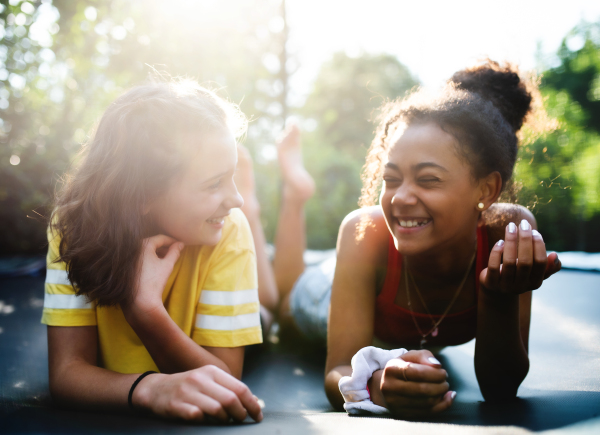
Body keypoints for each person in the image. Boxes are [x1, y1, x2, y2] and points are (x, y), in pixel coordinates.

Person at [322, 60, 562, 417]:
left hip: (403, 337)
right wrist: (371, 385)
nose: (401, 197)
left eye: (429, 179)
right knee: (288, 302)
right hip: (319, 295)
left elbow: (500, 388)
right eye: (391, 179)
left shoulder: (508, 233)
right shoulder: (364, 232)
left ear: (487, 189)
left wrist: (498, 294)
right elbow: (338, 369)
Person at [43, 79, 263, 423]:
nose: (235, 201)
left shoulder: (229, 228)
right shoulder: (74, 227)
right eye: (214, 183)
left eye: (232, 178)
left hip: (243, 300)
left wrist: (145, 310)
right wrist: (150, 388)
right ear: (143, 194)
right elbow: (67, 373)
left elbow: (225, 381)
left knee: (273, 308)